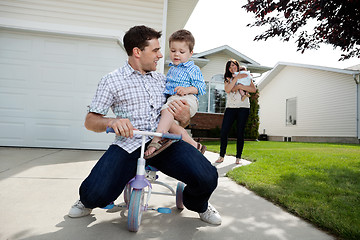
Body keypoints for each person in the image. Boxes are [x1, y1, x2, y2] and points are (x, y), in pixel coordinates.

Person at [68, 25, 222, 225]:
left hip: (164, 143)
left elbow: (180, 119)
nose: (160, 55)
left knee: (207, 176)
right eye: (156, 50)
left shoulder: (163, 80)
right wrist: (112, 121)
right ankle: (87, 201)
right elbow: (90, 121)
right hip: (129, 144)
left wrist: (184, 117)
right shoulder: (111, 80)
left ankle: (199, 204)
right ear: (137, 52)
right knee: (95, 193)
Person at [145, 29, 207, 158]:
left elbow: (200, 87)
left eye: (181, 52)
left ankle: (155, 141)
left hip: (187, 98)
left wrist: (187, 90)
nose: (176, 54)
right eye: (173, 51)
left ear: (190, 53)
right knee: (169, 124)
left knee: (167, 111)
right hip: (174, 98)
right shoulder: (172, 68)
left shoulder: (192, 68)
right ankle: (195, 145)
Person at [215, 59, 256, 165]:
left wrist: (239, 86)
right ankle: (221, 156)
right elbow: (228, 89)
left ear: (237, 66)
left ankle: (238, 157)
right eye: (230, 66)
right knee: (224, 131)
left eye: (234, 65)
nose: (232, 67)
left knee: (240, 132)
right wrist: (236, 78)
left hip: (243, 107)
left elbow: (253, 89)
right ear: (228, 69)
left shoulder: (245, 75)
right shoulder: (227, 79)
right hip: (231, 108)